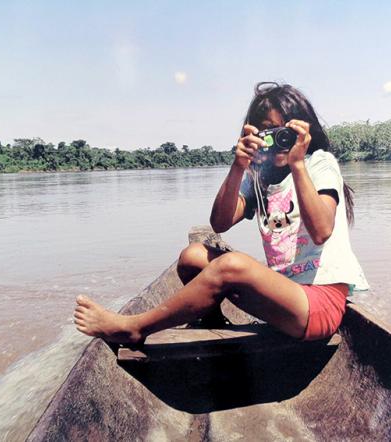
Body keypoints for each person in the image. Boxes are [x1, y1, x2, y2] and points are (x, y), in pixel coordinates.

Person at [73, 82, 368, 344]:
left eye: (286, 131)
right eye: (269, 131)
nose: (278, 140)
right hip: (283, 297)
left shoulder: (319, 163)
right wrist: (239, 165)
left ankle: (134, 328)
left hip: (319, 304)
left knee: (232, 265)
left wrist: (298, 164)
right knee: (193, 256)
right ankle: (211, 319)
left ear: (303, 131)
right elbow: (220, 223)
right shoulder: (262, 179)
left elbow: (321, 230)